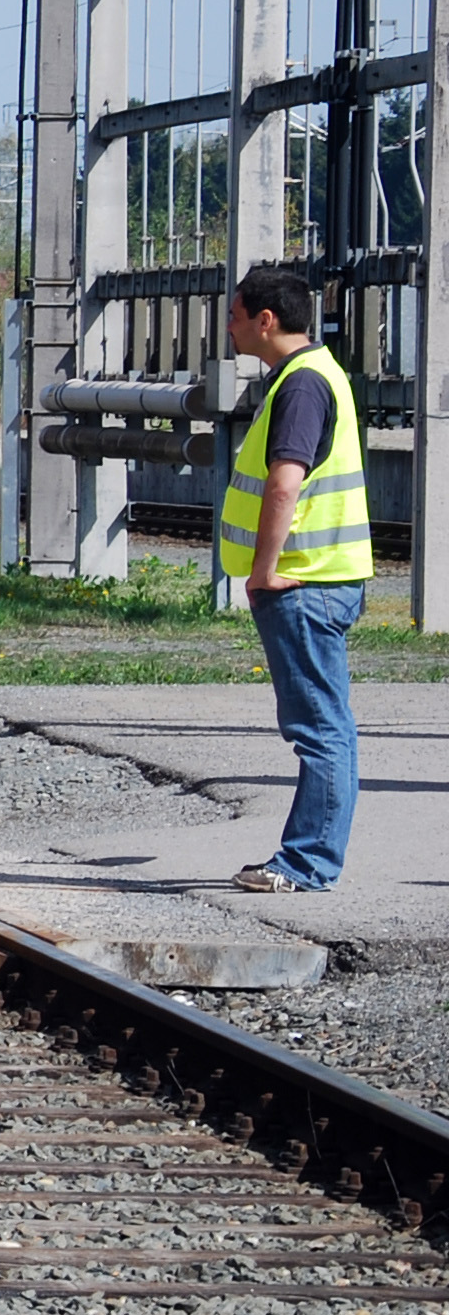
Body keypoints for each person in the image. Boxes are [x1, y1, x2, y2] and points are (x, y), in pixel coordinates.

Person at [220, 264, 372, 893]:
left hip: (304, 583)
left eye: (234, 316)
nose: (228, 328)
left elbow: (285, 484)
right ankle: (309, 858)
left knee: (320, 729)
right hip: (321, 578)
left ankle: (307, 864)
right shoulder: (314, 373)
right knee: (324, 725)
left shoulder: (302, 385)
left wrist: (263, 571)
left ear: (266, 319)